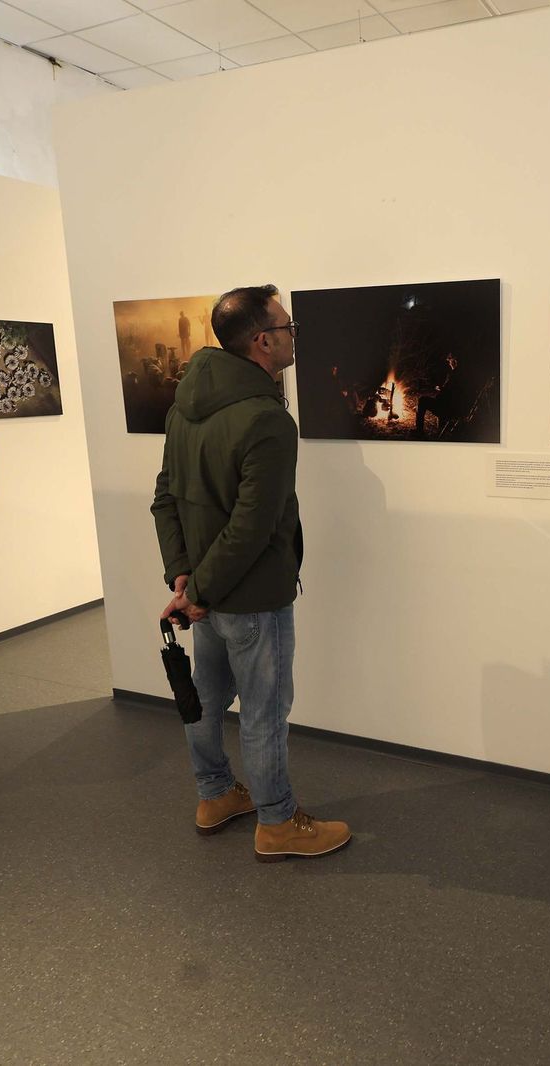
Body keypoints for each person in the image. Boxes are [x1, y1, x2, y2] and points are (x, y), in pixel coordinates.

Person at [151, 285, 350, 862]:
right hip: (252, 595)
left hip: (204, 594)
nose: (293, 337)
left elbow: (165, 497)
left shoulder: (183, 407)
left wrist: (184, 580)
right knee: (263, 712)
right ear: (263, 341)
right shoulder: (266, 419)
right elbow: (252, 527)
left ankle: (215, 796)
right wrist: (200, 590)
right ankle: (278, 822)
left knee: (207, 702)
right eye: (288, 328)